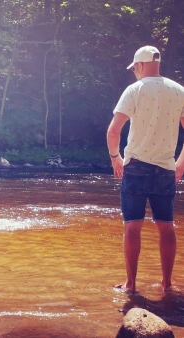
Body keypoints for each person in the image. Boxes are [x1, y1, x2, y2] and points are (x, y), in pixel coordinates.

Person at [107, 45, 184, 293]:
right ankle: (167, 283)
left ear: (139, 65)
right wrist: (180, 163)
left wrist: (115, 157)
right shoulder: (179, 91)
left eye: (134, 68)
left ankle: (130, 285)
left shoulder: (135, 90)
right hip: (165, 168)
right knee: (166, 226)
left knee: (132, 226)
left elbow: (113, 131)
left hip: (136, 167)